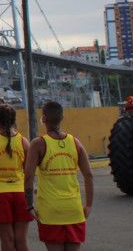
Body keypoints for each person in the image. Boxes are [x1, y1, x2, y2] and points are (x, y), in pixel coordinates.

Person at [24, 101, 93, 251]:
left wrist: (29, 205)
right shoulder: (75, 142)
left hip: (50, 212)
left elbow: (28, 176)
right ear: (62, 117)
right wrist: (89, 205)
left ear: (43, 119)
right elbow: (88, 175)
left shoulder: (38, 144)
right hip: (74, 210)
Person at [0, 104, 31, 251]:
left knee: (7, 240)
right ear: (14, 120)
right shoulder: (24, 141)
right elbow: (28, 174)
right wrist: (31, 198)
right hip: (21, 193)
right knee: (22, 240)